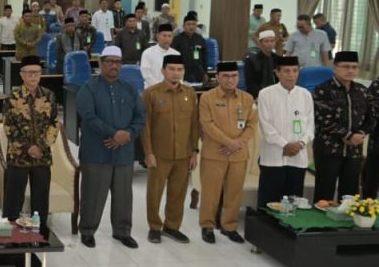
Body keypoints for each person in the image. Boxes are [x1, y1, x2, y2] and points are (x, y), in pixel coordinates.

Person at [76, 46, 145, 249]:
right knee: (93, 194)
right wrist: (113, 133)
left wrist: (128, 134)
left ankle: (122, 231)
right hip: (96, 151)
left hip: (123, 152)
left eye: (117, 62)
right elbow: (88, 116)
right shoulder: (88, 88)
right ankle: (87, 231)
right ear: (101, 63)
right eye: (109, 62)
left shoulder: (130, 89)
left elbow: (141, 117)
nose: (114, 66)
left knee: (124, 196)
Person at [141, 55, 198, 244]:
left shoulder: (190, 93)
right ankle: (154, 227)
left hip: (183, 154)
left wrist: (194, 152)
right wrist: (148, 153)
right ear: (163, 71)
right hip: (159, 154)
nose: (176, 73)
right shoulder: (151, 93)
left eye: (179, 69)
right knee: (154, 193)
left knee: (178, 193)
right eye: (172, 69)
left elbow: (194, 124)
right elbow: (145, 126)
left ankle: (172, 226)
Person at [197, 61, 257, 243]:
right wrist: (228, 142)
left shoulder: (247, 98)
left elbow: (251, 125)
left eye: (234, 76)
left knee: (234, 192)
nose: (230, 80)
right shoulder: (207, 98)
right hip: (214, 153)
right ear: (217, 77)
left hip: (238, 154)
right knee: (210, 192)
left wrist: (238, 143)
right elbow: (207, 124)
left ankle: (229, 227)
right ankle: (207, 226)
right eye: (225, 76)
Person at [2, 55, 57, 224]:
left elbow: (54, 124)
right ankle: (12, 234)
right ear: (22, 74)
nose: (33, 76)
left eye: (37, 72)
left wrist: (40, 146)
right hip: (18, 156)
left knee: (41, 201)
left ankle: (39, 233)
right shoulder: (12, 97)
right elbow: (9, 127)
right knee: (13, 201)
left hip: (42, 156)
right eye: (29, 72)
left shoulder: (49, 95)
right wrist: (28, 147)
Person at [312, 51, 374, 202]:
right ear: (335, 67)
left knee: (350, 195)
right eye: (346, 66)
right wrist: (348, 135)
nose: (350, 70)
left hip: (354, 150)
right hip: (328, 149)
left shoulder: (362, 91)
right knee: (324, 193)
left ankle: (346, 218)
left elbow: (372, 116)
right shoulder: (322, 90)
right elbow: (322, 119)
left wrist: (362, 133)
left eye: (354, 67)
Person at [256, 56, 314, 208]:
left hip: (298, 156)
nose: (291, 75)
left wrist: (300, 144)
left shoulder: (305, 95)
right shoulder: (265, 94)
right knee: (269, 202)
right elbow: (265, 126)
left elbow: (310, 125)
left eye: (295, 71)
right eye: (287, 71)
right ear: (277, 73)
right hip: (274, 156)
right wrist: (285, 145)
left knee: (293, 203)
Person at [172, 14, 209, 85]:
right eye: (188, 24)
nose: (191, 26)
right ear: (184, 26)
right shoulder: (177, 39)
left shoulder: (200, 39)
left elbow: (204, 57)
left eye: (194, 24)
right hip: (183, 73)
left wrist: (205, 73)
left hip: (198, 73)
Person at [140, 24, 180, 88]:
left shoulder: (176, 54)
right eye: (164, 36)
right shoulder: (148, 53)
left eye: (169, 36)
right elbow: (146, 74)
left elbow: (179, 74)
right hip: (152, 89)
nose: (167, 39)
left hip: (172, 90)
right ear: (157, 36)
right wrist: (161, 87)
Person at [244, 30, 280, 99]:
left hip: (275, 95)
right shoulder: (251, 60)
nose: (269, 44)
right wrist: (260, 96)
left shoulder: (278, 59)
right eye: (266, 41)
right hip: (257, 96)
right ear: (260, 43)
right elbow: (250, 83)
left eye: (272, 41)